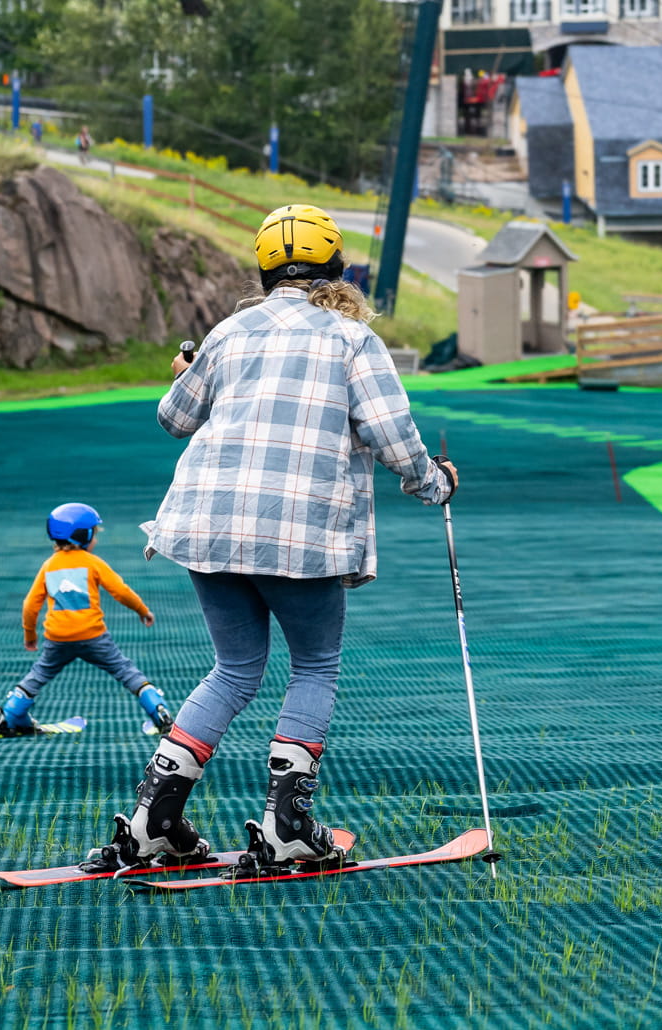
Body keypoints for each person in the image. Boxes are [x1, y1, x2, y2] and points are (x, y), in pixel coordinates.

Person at [86, 204, 459, 875]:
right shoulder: (351, 338)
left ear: (263, 271)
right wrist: (434, 484)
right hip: (301, 533)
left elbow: (174, 417)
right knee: (313, 664)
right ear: (336, 267)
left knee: (235, 669)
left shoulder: (228, 332)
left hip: (207, 526)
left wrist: (191, 366)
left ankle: (151, 824)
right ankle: (287, 828)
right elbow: (394, 435)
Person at [0, 503, 172, 738]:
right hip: (93, 636)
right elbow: (120, 591)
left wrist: (30, 636)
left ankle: (8, 716)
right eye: (94, 532)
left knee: (39, 674)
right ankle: (160, 713)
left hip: (57, 639)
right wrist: (143, 611)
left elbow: (30, 606)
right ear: (84, 535)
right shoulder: (92, 562)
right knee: (125, 670)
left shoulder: (48, 566)